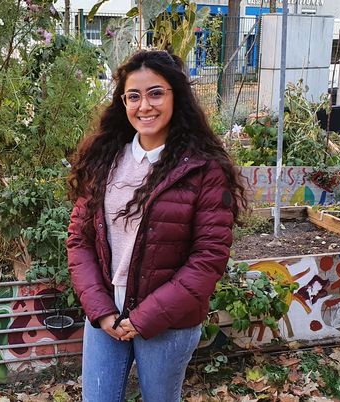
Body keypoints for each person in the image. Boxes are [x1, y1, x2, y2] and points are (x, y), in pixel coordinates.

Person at [66, 49, 247, 401]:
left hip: (169, 321)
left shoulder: (203, 168)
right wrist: (101, 311)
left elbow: (208, 257)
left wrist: (144, 317)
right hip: (106, 316)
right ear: (123, 102)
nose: (144, 106)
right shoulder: (106, 159)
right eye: (134, 96)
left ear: (175, 96)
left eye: (156, 93)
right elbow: (79, 239)